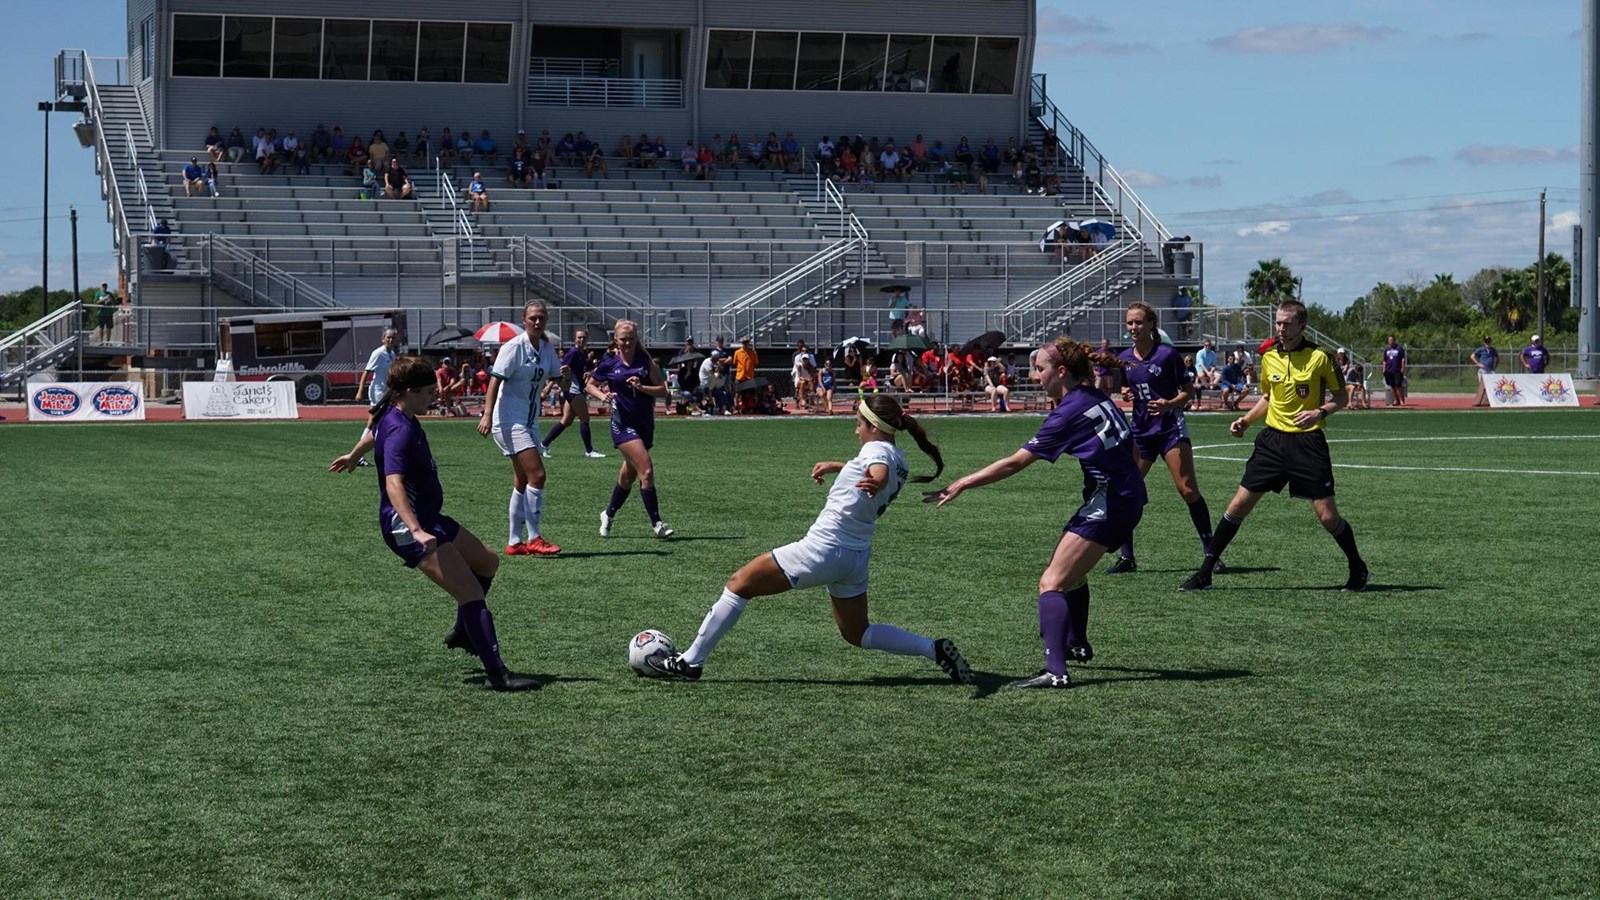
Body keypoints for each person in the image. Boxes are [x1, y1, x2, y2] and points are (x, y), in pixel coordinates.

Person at [645, 395, 971, 684]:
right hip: (855, 558)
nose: (855, 430)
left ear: (873, 426)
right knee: (857, 633)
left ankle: (690, 662)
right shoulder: (899, 459)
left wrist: (874, 479)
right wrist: (841, 466)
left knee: (738, 583)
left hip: (824, 549)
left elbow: (876, 470)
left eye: (858, 423)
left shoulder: (877, 453)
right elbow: (877, 467)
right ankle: (933, 649)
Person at [931, 337, 1146, 688]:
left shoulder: (1068, 412)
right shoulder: (1095, 395)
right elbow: (1132, 446)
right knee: (1068, 573)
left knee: (1051, 582)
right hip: (1123, 496)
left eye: (1040, 368)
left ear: (1061, 371)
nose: (1034, 376)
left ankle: (1056, 671)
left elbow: (1016, 463)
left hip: (1111, 501)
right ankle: (1076, 641)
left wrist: (962, 483)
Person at [327, 357, 539, 692]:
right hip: (407, 524)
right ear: (409, 392)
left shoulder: (395, 413)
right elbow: (394, 484)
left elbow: (372, 432)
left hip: (427, 516)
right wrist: (415, 530)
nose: (434, 397)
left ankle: (462, 631)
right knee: (470, 592)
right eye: (428, 392)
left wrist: (354, 455)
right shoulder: (398, 427)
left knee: (487, 562)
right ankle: (497, 674)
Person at [1178, 300, 1369, 593]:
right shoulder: (1269, 356)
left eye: (1287, 323)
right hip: (1272, 441)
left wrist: (1319, 413)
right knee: (1237, 505)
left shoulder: (1321, 357)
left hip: (1308, 443)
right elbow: (1269, 397)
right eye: (1278, 323)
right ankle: (1205, 572)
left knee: (1328, 516)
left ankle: (1357, 566)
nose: (1280, 328)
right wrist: (1245, 420)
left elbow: (1341, 398)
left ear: (1302, 327)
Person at [1106, 303, 1224, 575]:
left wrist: (1168, 404)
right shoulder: (1125, 358)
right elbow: (1127, 385)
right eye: (1129, 323)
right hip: (1141, 432)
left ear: (1151, 325)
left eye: (1138, 322)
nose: (1133, 327)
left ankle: (1211, 553)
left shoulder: (1167, 355)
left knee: (1187, 489)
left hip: (1170, 429)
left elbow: (1188, 392)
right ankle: (1127, 558)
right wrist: (1126, 393)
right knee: (1124, 491)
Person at [477, 301, 562, 557]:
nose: (538, 322)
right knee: (538, 475)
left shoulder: (547, 349)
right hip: (508, 420)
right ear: (524, 320)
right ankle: (534, 538)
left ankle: (515, 542)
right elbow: (495, 382)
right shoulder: (513, 347)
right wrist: (487, 415)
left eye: (542, 318)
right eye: (533, 318)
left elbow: (559, 379)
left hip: (529, 420)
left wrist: (566, 377)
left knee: (523, 480)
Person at [586, 319, 674, 538]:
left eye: (631, 339)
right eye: (623, 339)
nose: (627, 343)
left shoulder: (645, 361)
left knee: (628, 477)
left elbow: (663, 390)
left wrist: (641, 387)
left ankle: (608, 513)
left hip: (644, 424)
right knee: (647, 470)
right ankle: (657, 523)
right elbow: (590, 385)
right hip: (622, 425)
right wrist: (603, 397)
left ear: (637, 340)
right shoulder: (609, 363)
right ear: (616, 340)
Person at [542, 328, 607, 458]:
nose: (581, 340)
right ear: (575, 339)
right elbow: (560, 371)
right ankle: (589, 451)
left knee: (566, 421)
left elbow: (584, 369)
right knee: (585, 419)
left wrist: (588, 372)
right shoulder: (572, 353)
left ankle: (543, 445)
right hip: (573, 390)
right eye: (579, 337)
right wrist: (549, 386)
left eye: (583, 337)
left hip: (573, 390)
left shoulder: (582, 353)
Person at [350, 328, 399, 467]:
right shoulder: (378, 353)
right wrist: (360, 391)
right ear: (383, 338)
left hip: (387, 391)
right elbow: (367, 372)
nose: (390, 340)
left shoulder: (392, 354)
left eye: (392, 338)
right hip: (377, 391)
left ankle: (366, 454)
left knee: (382, 421)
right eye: (388, 337)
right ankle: (358, 455)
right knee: (374, 421)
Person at [1471, 335, 1500, 407]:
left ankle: (1493, 400)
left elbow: (1498, 358)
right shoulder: (1480, 350)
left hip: (1490, 370)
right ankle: (1479, 401)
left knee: (1495, 383)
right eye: (1486, 342)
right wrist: (1478, 364)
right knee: (1482, 386)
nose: (1488, 343)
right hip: (1483, 370)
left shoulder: (1493, 350)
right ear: (1484, 343)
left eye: (1489, 342)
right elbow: (1472, 356)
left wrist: (1495, 366)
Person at [1381, 335, 1408, 408]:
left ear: (1394, 340)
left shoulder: (1399, 348)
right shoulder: (1386, 349)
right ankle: (1397, 401)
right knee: (1392, 387)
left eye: (1391, 340)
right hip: (1389, 370)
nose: (1390, 341)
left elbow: (1402, 359)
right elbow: (1384, 360)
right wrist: (1384, 369)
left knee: (1398, 386)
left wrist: (1402, 368)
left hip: (1397, 370)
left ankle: (1402, 400)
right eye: (1389, 340)